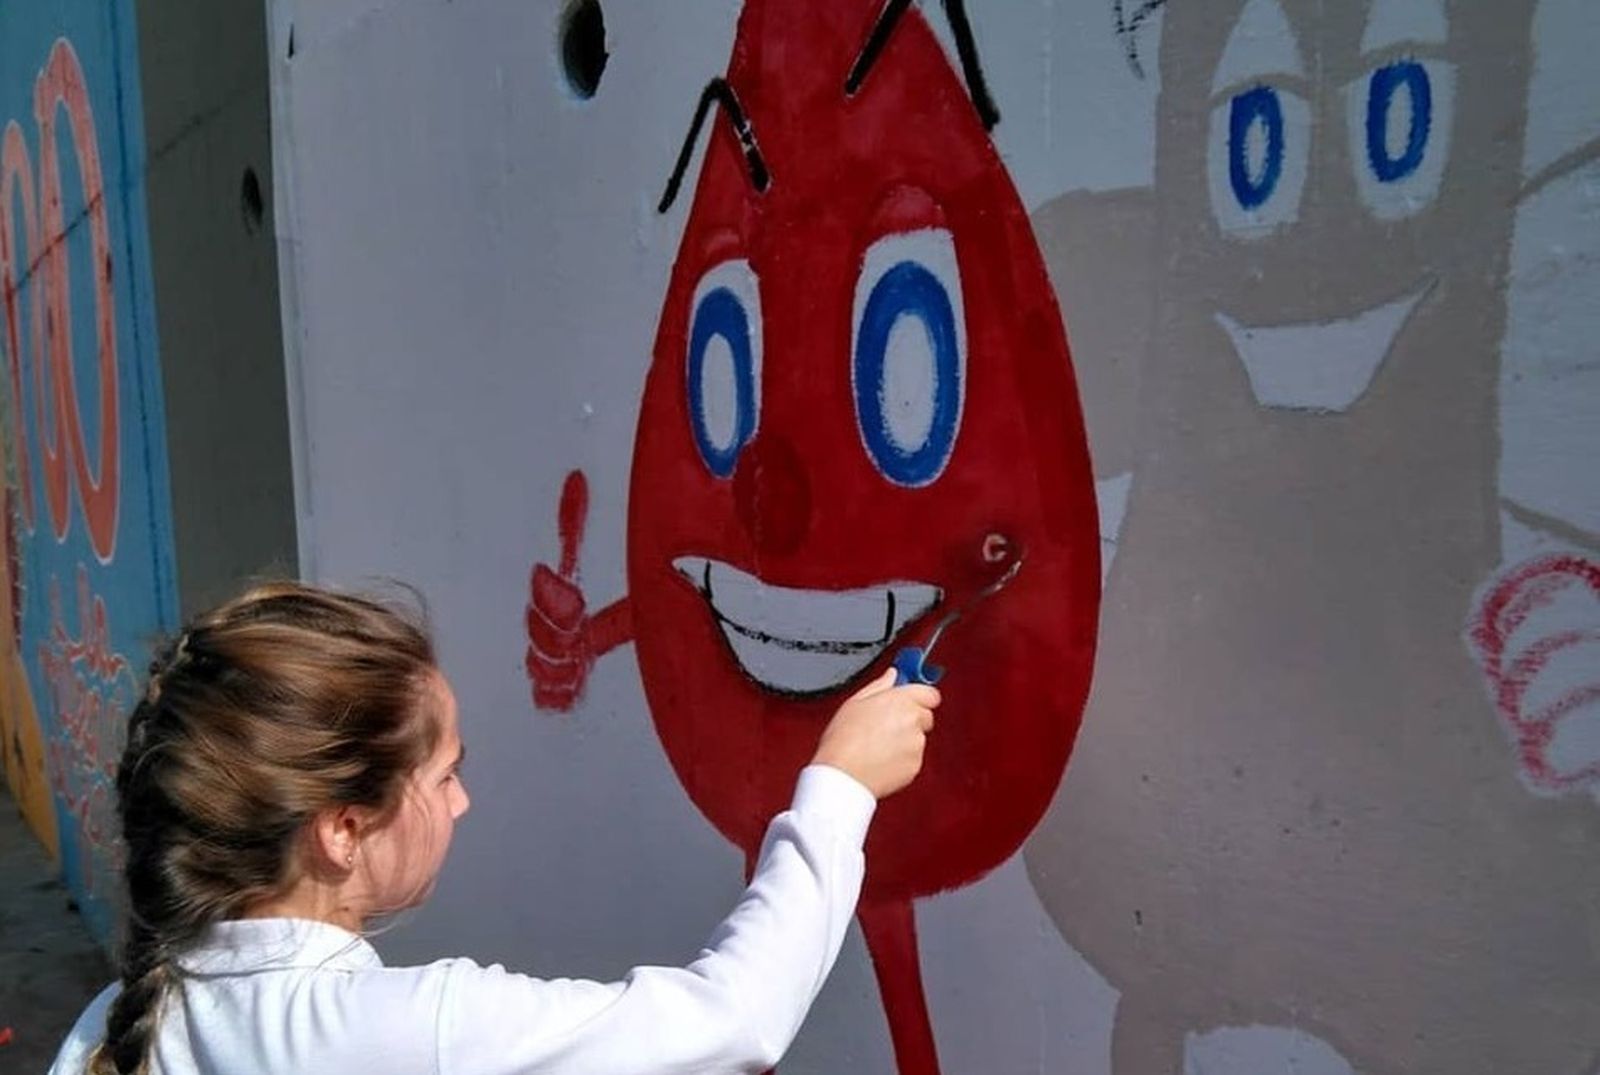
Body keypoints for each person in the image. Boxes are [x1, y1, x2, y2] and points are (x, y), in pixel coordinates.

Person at [47, 581, 940, 1075]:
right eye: (445, 775)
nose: (464, 801)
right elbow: (734, 1019)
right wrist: (838, 787)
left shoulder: (110, 1028)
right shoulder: (407, 1031)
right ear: (344, 829)